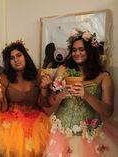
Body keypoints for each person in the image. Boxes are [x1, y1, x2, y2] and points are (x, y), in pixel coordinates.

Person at [43, 29, 118, 157]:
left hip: (90, 136)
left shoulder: (104, 77)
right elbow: (50, 101)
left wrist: (86, 95)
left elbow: (108, 112)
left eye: (82, 49)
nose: (77, 53)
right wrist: (61, 94)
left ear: (90, 51)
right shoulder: (63, 70)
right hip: (62, 135)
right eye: (74, 50)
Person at [0, 40, 52, 157]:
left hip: (36, 123)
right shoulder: (5, 77)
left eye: (19, 55)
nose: (16, 60)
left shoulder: (38, 74)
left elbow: (45, 102)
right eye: (12, 58)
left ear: (25, 56)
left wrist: (44, 88)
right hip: (11, 123)